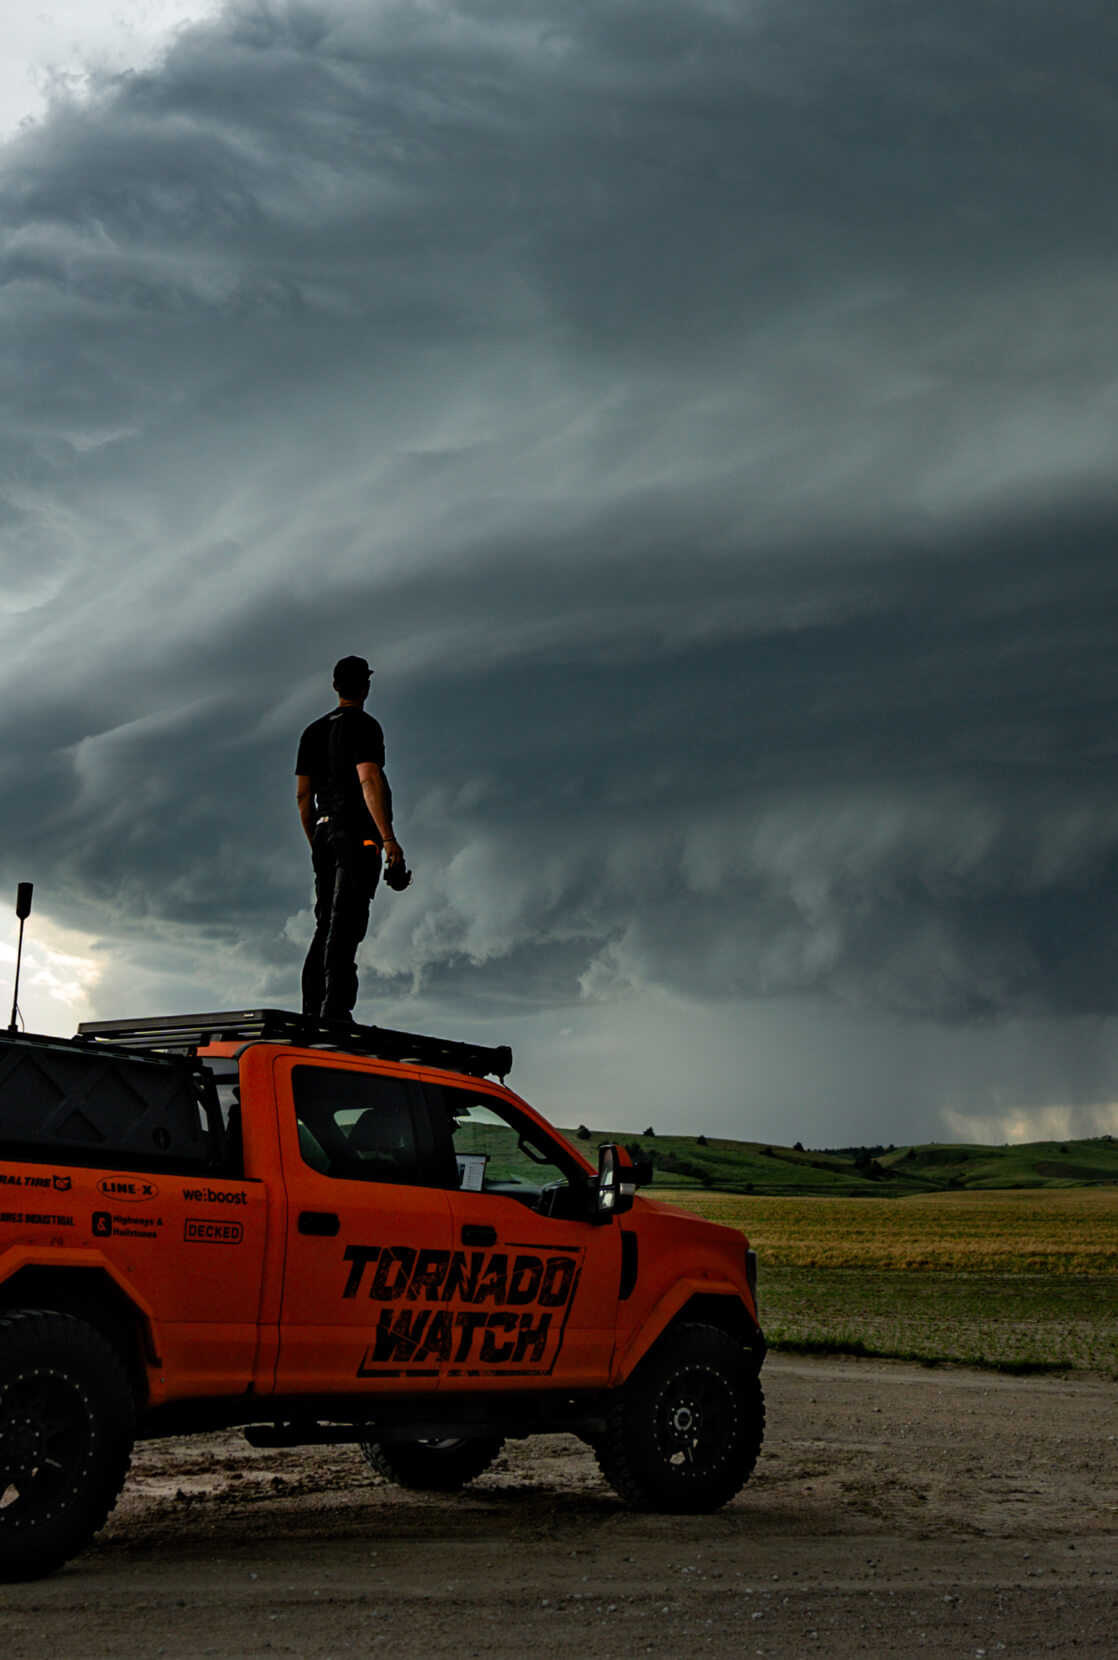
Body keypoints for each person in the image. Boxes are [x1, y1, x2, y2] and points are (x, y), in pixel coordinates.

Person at [296, 655, 407, 1022]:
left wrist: (316, 841)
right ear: (366, 686)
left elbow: (302, 796)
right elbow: (368, 779)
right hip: (355, 832)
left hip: (324, 830)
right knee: (347, 919)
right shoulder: (364, 726)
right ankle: (335, 1008)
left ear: (334, 686)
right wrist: (388, 838)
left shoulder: (311, 732)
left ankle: (313, 1007)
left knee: (325, 921)